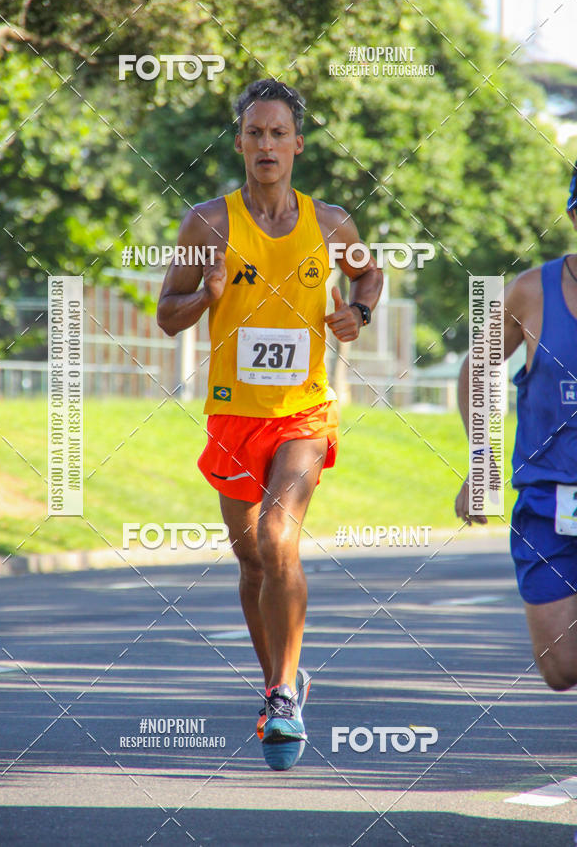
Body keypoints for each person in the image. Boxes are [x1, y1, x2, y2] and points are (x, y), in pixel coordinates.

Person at [157, 79, 382, 769]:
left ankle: (285, 695)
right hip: (232, 414)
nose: (265, 145)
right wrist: (207, 295)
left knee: (279, 535)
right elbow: (167, 312)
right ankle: (277, 680)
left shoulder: (332, 222)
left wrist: (359, 314)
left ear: (297, 145)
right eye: (254, 133)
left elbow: (368, 276)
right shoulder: (209, 224)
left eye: (277, 133)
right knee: (251, 556)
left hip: (303, 414)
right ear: (239, 143)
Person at [455, 160, 577, 691]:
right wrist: (480, 465)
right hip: (547, 504)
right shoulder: (532, 291)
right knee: (560, 668)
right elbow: (476, 369)